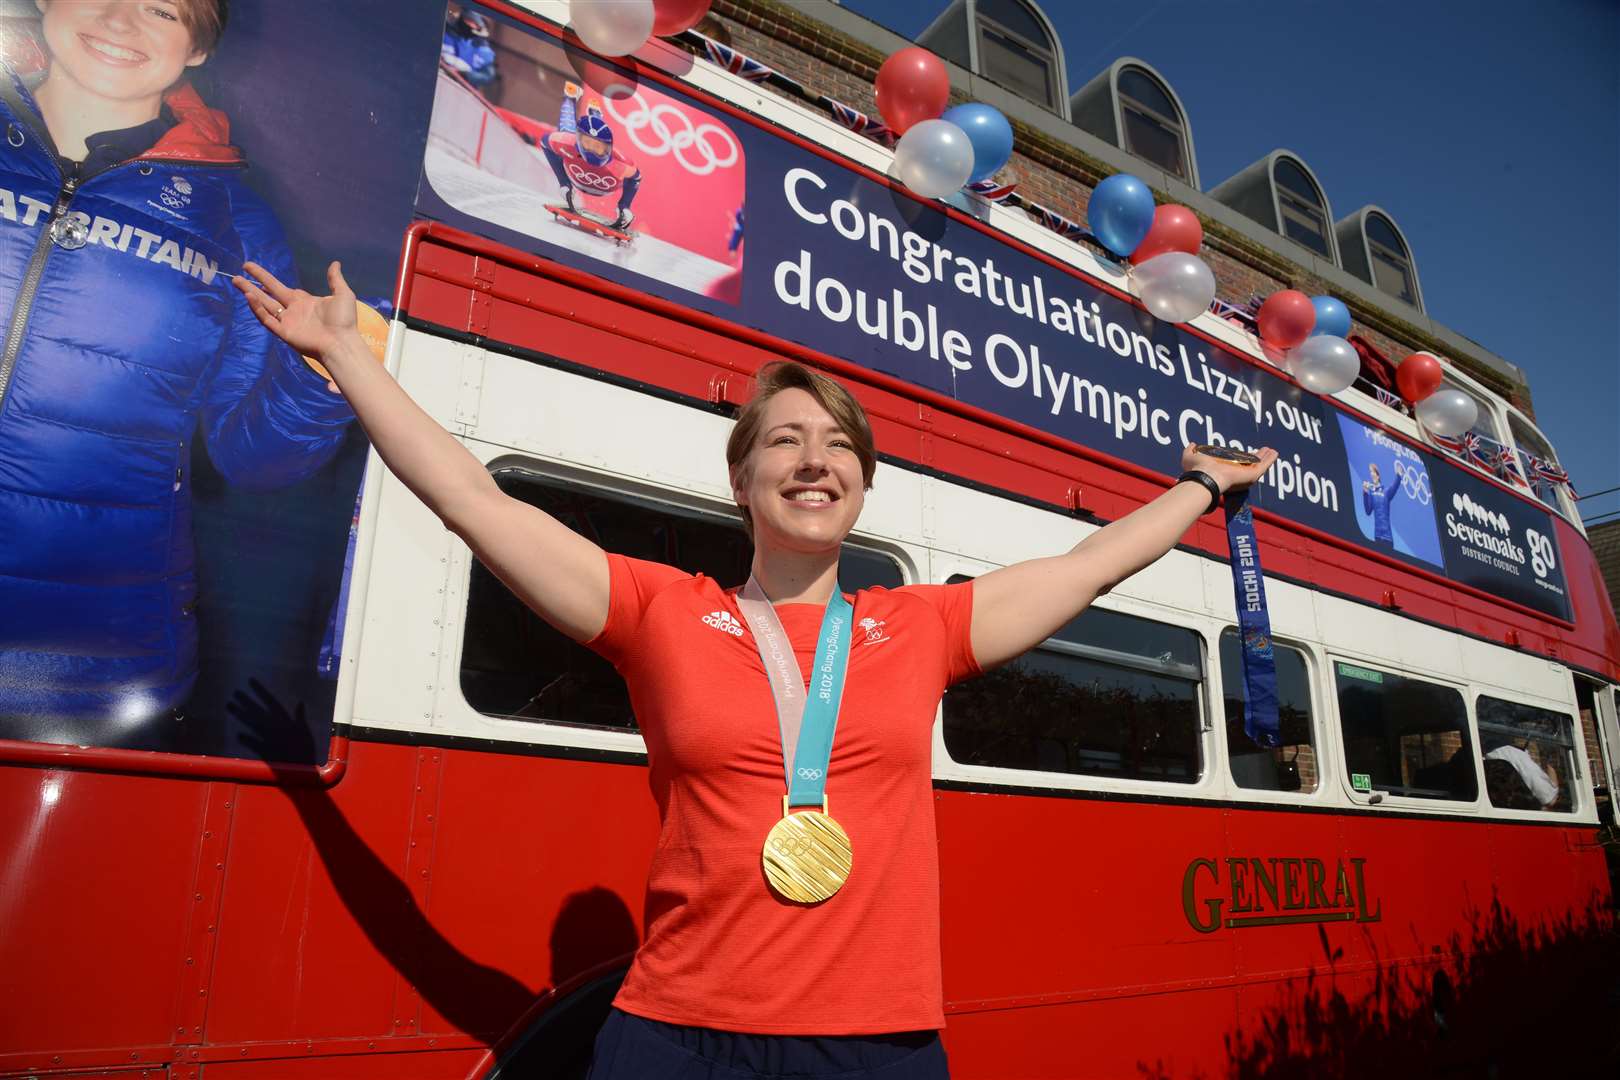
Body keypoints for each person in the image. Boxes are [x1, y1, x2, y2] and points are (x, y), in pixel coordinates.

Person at [233, 260, 1276, 1078]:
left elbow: (1090, 564)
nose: (812, 460)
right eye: (783, 441)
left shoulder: (922, 627)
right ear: (743, 479)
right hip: (675, 1040)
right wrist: (351, 358)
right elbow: (477, 501)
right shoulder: (655, 610)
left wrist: (1202, 490)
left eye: (837, 445)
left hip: (875, 1048)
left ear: (861, 482)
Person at [0, 1, 354, 729]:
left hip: (89, 670)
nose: (120, 19)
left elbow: (252, 461)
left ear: (198, 48)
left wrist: (322, 375)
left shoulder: (236, 221)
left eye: (163, 7)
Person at [540, 80, 640, 232]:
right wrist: (564, 182)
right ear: (579, 141)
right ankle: (571, 97)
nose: (593, 150)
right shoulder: (567, 142)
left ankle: (593, 113)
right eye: (588, 144)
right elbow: (544, 143)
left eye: (599, 148)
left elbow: (636, 178)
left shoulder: (621, 163)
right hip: (578, 172)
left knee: (580, 132)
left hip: (578, 175)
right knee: (566, 129)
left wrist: (624, 206)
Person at [1360, 460, 1408, 544]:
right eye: (1370, 472)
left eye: (1373, 472)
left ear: (1378, 476)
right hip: (1377, 536)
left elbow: (1394, 486)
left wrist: (1398, 475)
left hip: (1388, 537)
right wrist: (1365, 493)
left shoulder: (1386, 492)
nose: (1371, 474)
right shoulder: (1371, 493)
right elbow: (1368, 511)